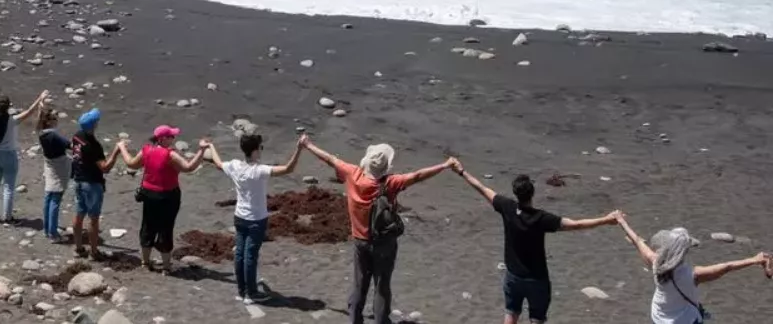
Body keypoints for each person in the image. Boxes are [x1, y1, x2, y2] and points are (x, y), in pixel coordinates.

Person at [300, 137, 455, 324]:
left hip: (360, 241)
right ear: (385, 167)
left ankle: (355, 320)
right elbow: (417, 176)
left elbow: (329, 159)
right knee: (381, 287)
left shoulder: (353, 174)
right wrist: (445, 165)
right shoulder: (391, 183)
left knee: (359, 285)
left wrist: (308, 145)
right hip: (384, 243)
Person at [450, 160, 620, 324]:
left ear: (516, 193)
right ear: (532, 193)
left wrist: (461, 171)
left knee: (511, 314)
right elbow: (576, 224)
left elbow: (482, 188)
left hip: (513, 276)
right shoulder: (541, 218)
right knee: (536, 319)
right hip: (537, 280)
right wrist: (606, 219)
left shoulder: (507, 207)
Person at [203, 133, 304, 302]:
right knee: (250, 256)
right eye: (260, 148)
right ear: (255, 151)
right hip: (256, 219)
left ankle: (242, 290)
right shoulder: (260, 170)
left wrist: (210, 146)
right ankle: (252, 293)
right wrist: (299, 149)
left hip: (240, 217)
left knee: (240, 254)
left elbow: (218, 163)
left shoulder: (235, 166)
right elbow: (288, 169)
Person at [616, 217, 770, 324]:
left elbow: (637, 240)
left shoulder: (656, 262)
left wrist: (620, 220)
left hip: (659, 316)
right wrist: (754, 259)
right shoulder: (693, 275)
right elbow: (727, 267)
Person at [119, 124, 211, 272]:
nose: (174, 139)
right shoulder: (170, 154)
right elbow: (188, 167)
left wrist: (121, 147)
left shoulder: (146, 150)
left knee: (147, 226)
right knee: (166, 229)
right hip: (168, 196)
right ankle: (167, 267)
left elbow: (131, 164)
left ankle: (145, 262)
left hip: (149, 194)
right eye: (171, 136)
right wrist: (201, 150)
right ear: (162, 139)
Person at [0, 87, 50, 223]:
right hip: (9, 156)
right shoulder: (12, 120)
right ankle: (8, 218)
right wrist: (40, 98)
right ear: (9, 106)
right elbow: (30, 111)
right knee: (8, 188)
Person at [71, 107, 125, 260]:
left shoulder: (77, 136)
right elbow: (105, 168)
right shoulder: (94, 145)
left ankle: (79, 247)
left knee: (79, 214)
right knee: (93, 219)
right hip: (92, 183)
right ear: (93, 125)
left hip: (78, 179)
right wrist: (116, 152)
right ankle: (94, 252)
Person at [34, 107, 72, 241]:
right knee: (55, 199)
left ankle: (47, 229)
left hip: (49, 166)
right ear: (49, 122)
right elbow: (70, 145)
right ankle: (53, 234)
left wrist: (41, 103)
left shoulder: (41, 132)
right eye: (55, 118)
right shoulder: (54, 135)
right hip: (59, 167)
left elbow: (40, 118)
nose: (57, 121)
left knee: (48, 197)